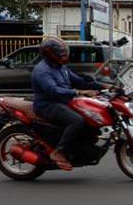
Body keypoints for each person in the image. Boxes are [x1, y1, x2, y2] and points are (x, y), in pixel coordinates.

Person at [31, 37, 103, 170]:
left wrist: (106, 86)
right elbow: (53, 91)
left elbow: (80, 81)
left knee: (89, 116)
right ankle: (58, 152)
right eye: (61, 53)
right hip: (48, 105)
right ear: (50, 53)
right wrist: (79, 92)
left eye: (65, 52)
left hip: (64, 102)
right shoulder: (42, 71)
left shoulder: (60, 67)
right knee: (77, 120)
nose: (64, 55)